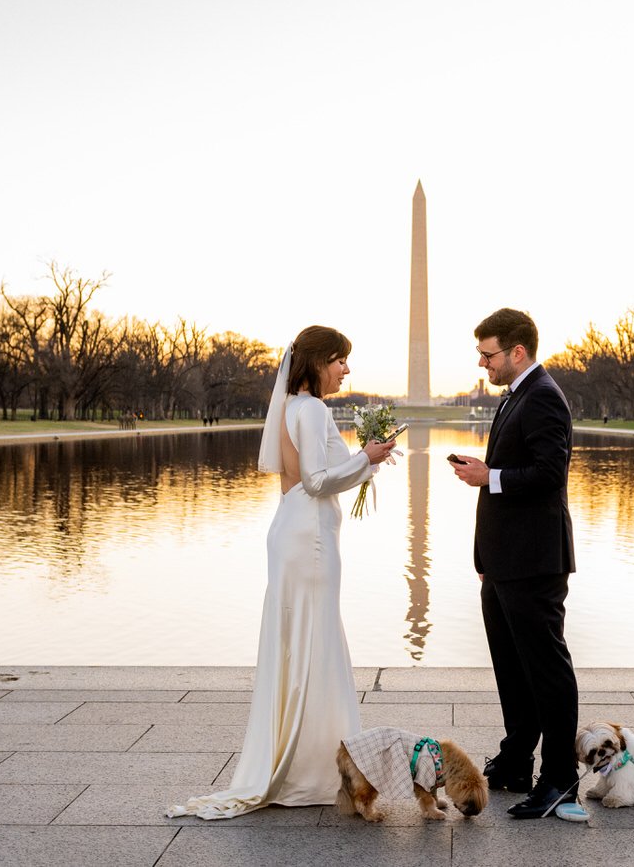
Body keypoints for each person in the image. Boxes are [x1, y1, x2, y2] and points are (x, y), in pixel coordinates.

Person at [169, 325, 400, 819]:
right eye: (341, 360)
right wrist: (367, 456)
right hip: (310, 538)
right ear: (318, 362)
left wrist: (368, 457)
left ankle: (305, 760)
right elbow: (317, 481)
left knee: (302, 642)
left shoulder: (293, 408)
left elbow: (318, 473)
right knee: (315, 642)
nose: (346, 369)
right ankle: (313, 769)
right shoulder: (312, 409)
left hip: (293, 530)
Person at [449, 308, 579, 820]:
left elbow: (550, 473)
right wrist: (486, 557)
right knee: (512, 668)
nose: (483, 363)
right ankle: (516, 759)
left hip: (534, 561)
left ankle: (560, 779)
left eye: (489, 354)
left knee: (546, 669)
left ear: (517, 352)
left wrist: (490, 476)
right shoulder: (515, 396)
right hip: (504, 562)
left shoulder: (543, 396)